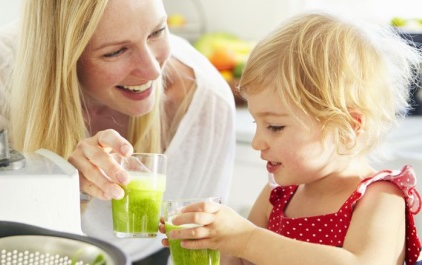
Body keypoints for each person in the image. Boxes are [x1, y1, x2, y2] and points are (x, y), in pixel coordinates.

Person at [160, 12, 422, 265]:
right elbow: (241, 260)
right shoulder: (279, 192)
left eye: (274, 126)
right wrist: (213, 241)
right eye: (257, 123)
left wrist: (245, 239)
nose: (257, 142)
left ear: (348, 126)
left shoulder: (380, 197)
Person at [0, 0, 235, 264]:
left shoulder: (206, 103)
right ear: (63, 57)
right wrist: (61, 184)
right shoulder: (4, 77)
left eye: (157, 32)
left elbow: (205, 241)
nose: (153, 71)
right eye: (116, 52)